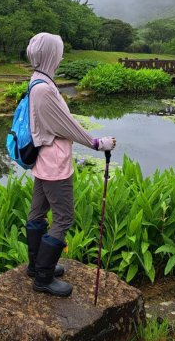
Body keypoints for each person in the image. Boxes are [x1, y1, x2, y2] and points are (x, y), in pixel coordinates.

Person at [25, 32, 116, 297]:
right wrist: (97, 143)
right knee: (63, 217)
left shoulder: (38, 80)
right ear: (51, 54)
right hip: (54, 162)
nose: (62, 55)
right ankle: (42, 277)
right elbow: (67, 126)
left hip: (43, 158)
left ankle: (36, 267)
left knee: (37, 212)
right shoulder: (44, 89)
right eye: (59, 51)